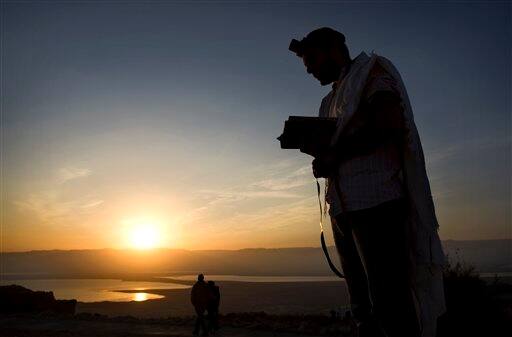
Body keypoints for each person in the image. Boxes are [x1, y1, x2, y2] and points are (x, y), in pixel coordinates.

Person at [289, 27, 446, 337]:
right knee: (362, 306)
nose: (308, 69)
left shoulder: (371, 72)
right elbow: (334, 147)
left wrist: (336, 156)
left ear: (333, 49)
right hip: (342, 210)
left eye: (312, 60)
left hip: (377, 204)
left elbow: (388, 122)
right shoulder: (328, 100)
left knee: (389, 304)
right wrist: (320, 156)